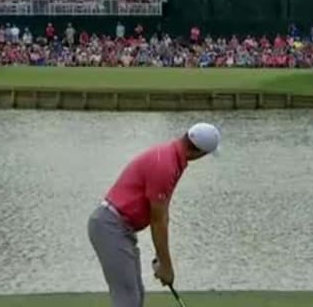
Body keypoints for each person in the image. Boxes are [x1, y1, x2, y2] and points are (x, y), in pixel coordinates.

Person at [87, 123, 221, 307]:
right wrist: (166, 266)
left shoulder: (171, 157)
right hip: (110, 226)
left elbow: (161, 215)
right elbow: (158, 221)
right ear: (198, 152)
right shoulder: (165, 164)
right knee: (127, 298)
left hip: (119, 228)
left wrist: (163, 257)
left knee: (135, 295)